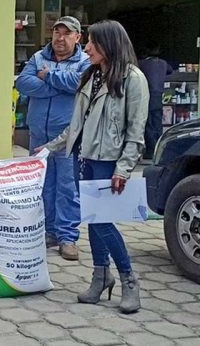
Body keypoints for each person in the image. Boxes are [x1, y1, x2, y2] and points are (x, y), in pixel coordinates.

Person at [42, 19, 148, 314]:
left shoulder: (132, 79)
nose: (86, 48)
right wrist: (50, 148)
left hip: (109, 163)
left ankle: (129, 279)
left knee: (102, 222)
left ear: (109, 45)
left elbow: (136, 132)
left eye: (92, 43)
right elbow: (77, 125)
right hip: (85, 159)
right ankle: (101, 277)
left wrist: (123, 169)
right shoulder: (91, 75)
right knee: (92, 220)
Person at [15, 16, 90, 261]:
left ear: (77, 37)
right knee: (43, 185)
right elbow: (24, 84)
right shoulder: (39, 57)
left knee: (67, 187)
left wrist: (47, 77)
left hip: (68, 136)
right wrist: (58, 84)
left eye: (67, 33)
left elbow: (80, 83)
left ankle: (67, 237)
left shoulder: (85, 61)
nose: (60, 37)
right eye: (57, 32)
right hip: (39, 134)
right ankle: (49, 232)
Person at [137, 44, 172, 159]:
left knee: (147, 124)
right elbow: (170, 71)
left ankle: (150, 151)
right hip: (159, 97)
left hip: (146, 96)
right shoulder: (163, 63)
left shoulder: (141, 64)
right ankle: (159, 151)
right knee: (157, 124)